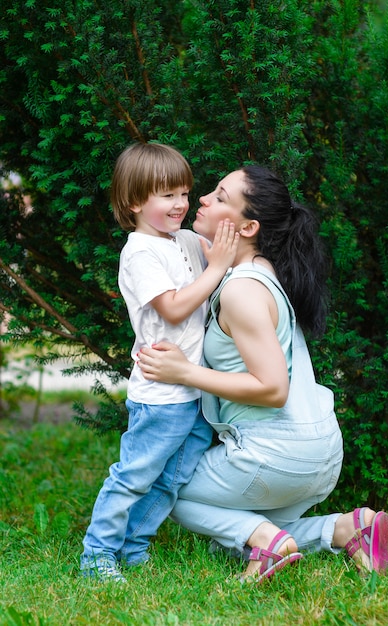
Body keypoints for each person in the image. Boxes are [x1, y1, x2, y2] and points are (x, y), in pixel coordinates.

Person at [138, 164, 388, 583]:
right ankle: (346, 528)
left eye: (220, 197)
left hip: (278, 457)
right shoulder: (260, 273)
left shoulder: (241, 290)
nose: (201, 199)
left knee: (169, 488)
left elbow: (273, 389)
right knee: (233, 537)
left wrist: (184, 372)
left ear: (248, 226)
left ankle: (267, 542)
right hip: (317, 452)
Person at [80, 142, 239, 582]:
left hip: (196, 391)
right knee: (134, 476)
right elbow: (171, 308)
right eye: (168, 195)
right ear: (134, 201)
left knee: (170, 480)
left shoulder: (186, 239)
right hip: (161, 395)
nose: (182, 204)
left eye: (185, 193)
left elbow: (229, 248)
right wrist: (216, 269)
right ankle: (97, 556)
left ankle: (133, 548)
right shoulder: (140, 252)